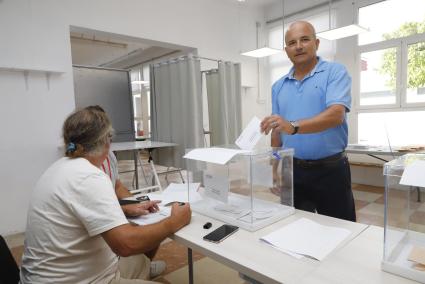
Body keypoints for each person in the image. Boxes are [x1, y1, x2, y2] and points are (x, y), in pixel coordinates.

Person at [20, 107, 191, 283]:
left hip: (54, 275)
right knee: (143, 240)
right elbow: (126, 244)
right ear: (106, 142)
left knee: (141, 260)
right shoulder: (89, 176)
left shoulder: (58, 168)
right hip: (83, 280)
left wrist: (124, 209)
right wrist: (173, 222)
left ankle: (143, 270)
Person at [260, 20, 356, 222]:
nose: (299, 46)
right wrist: (274, 168)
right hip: (292, 170)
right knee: (292, 227)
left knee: (339, 230)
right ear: (286, 50)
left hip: (331, 171)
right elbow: (277, 131)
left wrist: (293, 126)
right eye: (292, 42)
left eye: (305, 39)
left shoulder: (335, 72)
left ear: (317, 43)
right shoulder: (278, 86)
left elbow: (336, 114)